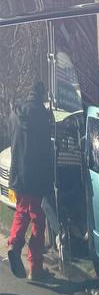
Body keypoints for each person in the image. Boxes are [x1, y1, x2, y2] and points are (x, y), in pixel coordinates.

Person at [7, 81, 55, 281]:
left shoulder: (15, 113)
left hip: (18, 175)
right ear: (42, 95)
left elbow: (12, 139)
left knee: (21, 212)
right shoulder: (43, 116)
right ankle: (35, 268)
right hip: (35, 178)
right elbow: (46, 150)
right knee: (38, 222)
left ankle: (14, 244)